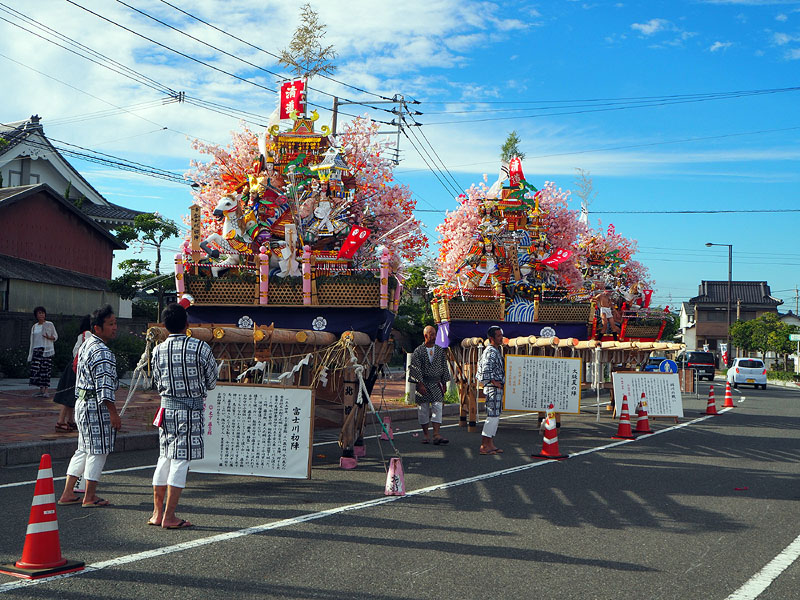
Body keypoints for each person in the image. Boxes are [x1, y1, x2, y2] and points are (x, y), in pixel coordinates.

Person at [148, 303, 217, 529]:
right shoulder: (200, 347)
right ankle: (169, 517)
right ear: (187, 324)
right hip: (190, 410)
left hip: (166, 410)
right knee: (180, 461)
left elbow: (156, 383)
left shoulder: (157, 350)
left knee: (164, 458)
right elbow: (211, 381)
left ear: (165, 326)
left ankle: (157, 514)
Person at [58, 305, 120, 508]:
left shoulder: (86, 344)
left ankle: (68, 492)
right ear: (97, 328)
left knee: (83, 449)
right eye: (110, 324)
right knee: (98, 451)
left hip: (82, 403)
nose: (115, 328)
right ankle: (90, 496)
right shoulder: (103, 352)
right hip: (96, 405)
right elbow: (105, 388)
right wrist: (113, 414)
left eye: (115, 323)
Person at [408, 325, 450, 445]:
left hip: (436, 383)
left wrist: (444, 382)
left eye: (434, 334)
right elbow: (415, 368)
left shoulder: (440, 351)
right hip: (423, 383)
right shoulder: (418, 351)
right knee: (423, 410)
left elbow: (444, 367)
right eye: (431, 334)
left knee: (438, 407)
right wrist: (419, 384)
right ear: (425, 335)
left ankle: (436, 434)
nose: (434, 336)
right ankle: (426, 434)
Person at [53, 315, 91, 432]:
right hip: (78, 367)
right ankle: (60, 421)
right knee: (70, 394)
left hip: (72, 365)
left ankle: (70, 420)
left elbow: (75, 351)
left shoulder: (81, 334)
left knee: (72, 394)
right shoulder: (89, 334)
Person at [476, 325, 505, 455]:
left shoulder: (495, 350)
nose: (501, 338)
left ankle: (490, 443)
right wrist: (494, 382)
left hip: (495, 386)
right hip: (492, 387)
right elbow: (486, 368)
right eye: (498, 336)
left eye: (501, 335)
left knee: (495, 416)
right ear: (491, 338)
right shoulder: (490, 351)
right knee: (492, 416)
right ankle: (484, 445)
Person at [27, 306, 58, 397]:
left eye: (43, 313)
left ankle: (46, 390)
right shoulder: (34, 327)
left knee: (45, 369)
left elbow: (55, 336)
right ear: (36, 315)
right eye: (39, 313)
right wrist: (31, 353)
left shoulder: (49, 324)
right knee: (37, 370)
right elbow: (32, 340)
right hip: (37, 349)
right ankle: (40, 389)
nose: (41, 315)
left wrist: (49, 337)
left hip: (46, 350)